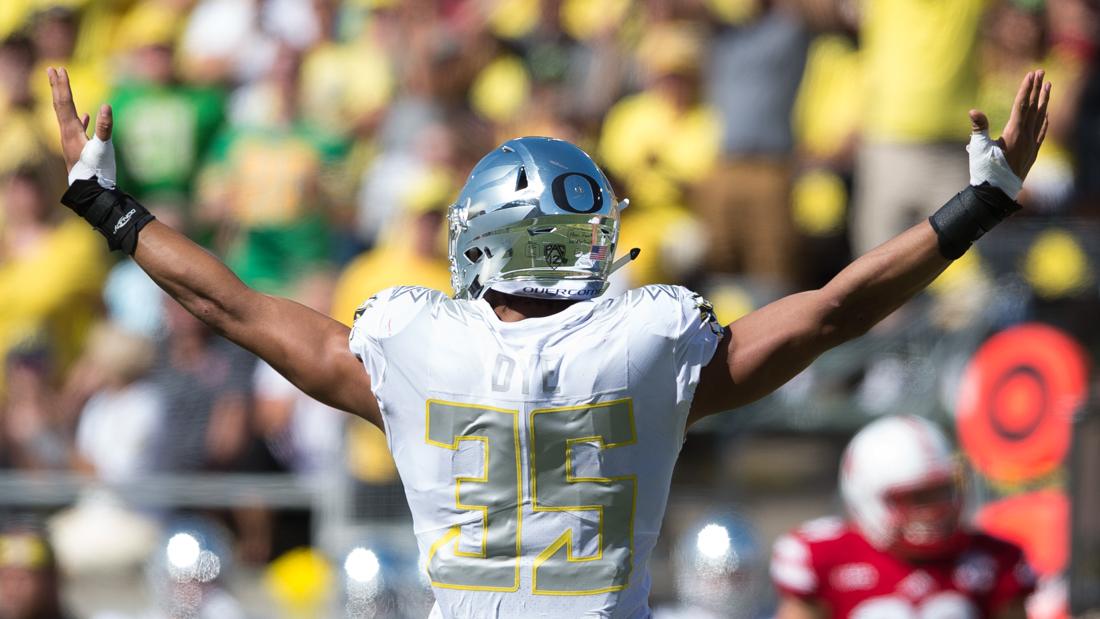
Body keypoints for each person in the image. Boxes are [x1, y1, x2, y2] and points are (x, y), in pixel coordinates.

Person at [44, 64, 1049, 617]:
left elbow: (228, 305)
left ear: (472, 241)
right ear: (593, 245)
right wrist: (975, 206)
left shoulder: (408, 341)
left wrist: (104, 202)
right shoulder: (650, 340)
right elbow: (833, 309)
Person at [769, 415, 1037, 619]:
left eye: (942, 492)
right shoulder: (823, 557)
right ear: (867, 496)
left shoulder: (996, 558)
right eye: (917, 498)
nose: (936, 510)